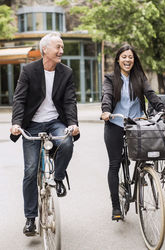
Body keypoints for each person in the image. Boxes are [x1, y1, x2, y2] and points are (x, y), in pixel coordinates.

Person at [10, 32, 80, 236]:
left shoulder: (66, 72)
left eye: (62, 48)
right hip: (32, 124)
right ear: (45, 50)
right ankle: (30, 219)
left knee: (67, 143)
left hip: (55, 122)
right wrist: (16, 123)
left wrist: (73, 123)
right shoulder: (29, 71)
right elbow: (19, 99)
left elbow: (69, 101)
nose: (61, 51)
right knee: (31, 170)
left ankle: (57, 179)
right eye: (58, 47)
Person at [101, 44, 165, 220]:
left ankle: (143, 174)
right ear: (118, 59)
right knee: (115, 164)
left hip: (136, 124)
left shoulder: (139, 77)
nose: (127, 60)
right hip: (115, 123)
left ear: (134, 60)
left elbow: (151, 94)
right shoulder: (110, 78)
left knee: (144, 155)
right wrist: (106, 111)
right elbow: (107, 96)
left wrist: (163, 109)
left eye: (130, 57)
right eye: (124, 57)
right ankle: (116, 207)